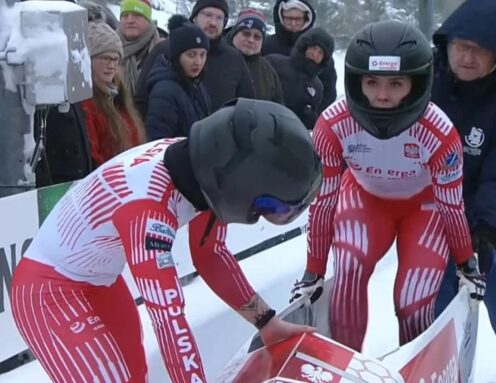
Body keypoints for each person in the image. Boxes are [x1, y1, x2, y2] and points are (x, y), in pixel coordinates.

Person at [10, 98, 321, 383]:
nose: (272, 214)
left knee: (134, 375)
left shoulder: (199, 168)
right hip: (47, 294)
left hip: (98, 281)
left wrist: (266, 322)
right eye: (274, 207)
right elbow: (169, 322)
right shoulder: (147, 211)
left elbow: (210, 255)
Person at [289, 20, 485, 352]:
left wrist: (466, 263)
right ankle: (345, 365)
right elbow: (323, 203)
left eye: (396, 83)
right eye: (372, 82)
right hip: (366, 200)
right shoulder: (333, 125)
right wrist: (314, 272)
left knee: (414, 298)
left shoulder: (440, 132)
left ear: (417, 84)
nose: (382, 95)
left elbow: (452, 204)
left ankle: (414, 364)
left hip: (424, 208)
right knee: (350, 265)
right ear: (356, 82)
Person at [431, 0, 496, 345]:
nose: (468, 58)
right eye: (462, 46)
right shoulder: (426, 82)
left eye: (481, 50)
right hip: (434, 222)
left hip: (489, 224)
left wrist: (486, 231)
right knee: (436, 318)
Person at [82, 21, 145, 167]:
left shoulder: (119, 97)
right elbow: (93, 156)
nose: (111, 65)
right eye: (105, 58)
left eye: (115, 59)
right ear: (88, 60)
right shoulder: (86, 103)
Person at [262, 0, 337, 110]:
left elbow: (328, 92)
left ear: (306, 19)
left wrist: (315, 116)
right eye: (289, 18)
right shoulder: (267, 45)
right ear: (281, 17)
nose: (293, 23)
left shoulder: (321, 54)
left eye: (298, 19)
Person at [145, 15, 210, 140]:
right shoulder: (165, 92)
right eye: (191, 55)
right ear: (177, 56)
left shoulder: (196, 83)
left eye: (202, 55)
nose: (198, 62)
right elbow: (158, 142)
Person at [266, 27, 334, 130]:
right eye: (313, 48)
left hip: (293, 135)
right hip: (265, 123)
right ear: (305, 46)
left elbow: (313, 121)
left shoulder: (317, 86)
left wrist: (310, 116)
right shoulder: (275, 62)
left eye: (320, 52)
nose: (315, 54)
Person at [228, 8, 284, 104]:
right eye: (246, 34)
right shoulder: (216, 59)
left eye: (257, 37)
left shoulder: (269, 72)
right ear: (234, 33)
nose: (251, 40)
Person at [117, 0, 163, 94]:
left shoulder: (163, 52)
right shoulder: (106, 49)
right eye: (125, 15)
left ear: (148, 19)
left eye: (136, 15)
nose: (129, 21)